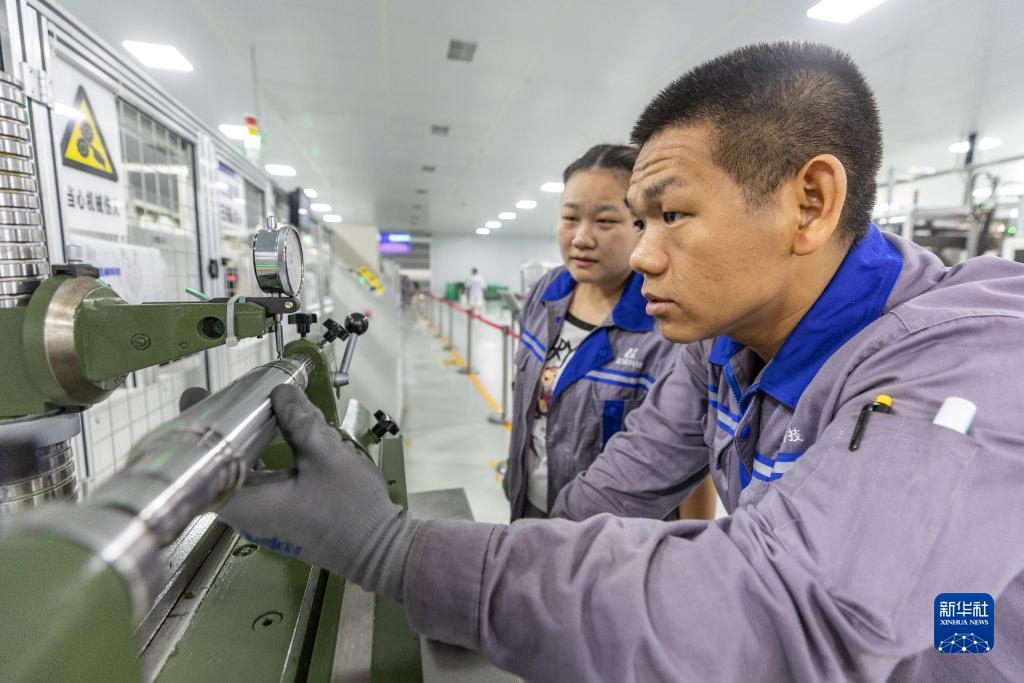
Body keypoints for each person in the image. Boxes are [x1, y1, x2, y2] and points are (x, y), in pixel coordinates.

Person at [219, 42, 1024, 682]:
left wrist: (395, 550)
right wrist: (479, 582)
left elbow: (790, 613)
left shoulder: (971, 364)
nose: (640, 254)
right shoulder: (726, 343)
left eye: (672, 214)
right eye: (639, 220)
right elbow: (620, 485)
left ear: (809, 202)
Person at [504, 144, 676, 520]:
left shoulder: (664, 327)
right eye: (570, 218)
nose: (581, 237)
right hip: (528, 504)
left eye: (605, 221)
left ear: (643, 224)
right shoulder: (544, 294)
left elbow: (689, 458)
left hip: (611, 535)